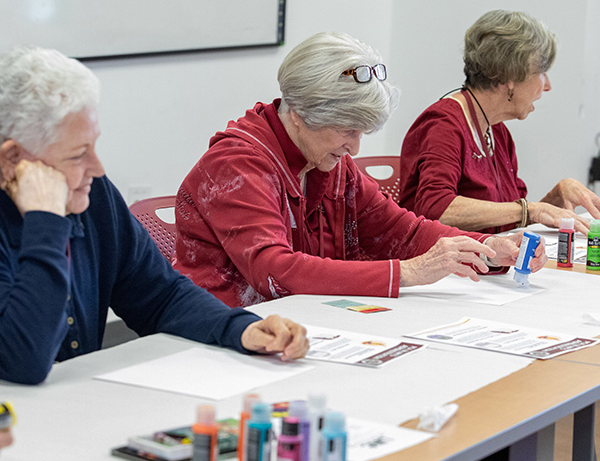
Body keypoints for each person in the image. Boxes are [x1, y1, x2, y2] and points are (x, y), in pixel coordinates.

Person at [0, 46, 309, 386]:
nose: (98, 169)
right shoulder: (54, 210)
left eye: (93, 146)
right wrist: (45, 220)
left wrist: (241, 328)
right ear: (13, 158)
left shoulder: (91, 194)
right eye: (77, 155)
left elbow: (160, 296)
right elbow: (23, 360)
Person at [174, 31, 545, 309]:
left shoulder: (328, 162)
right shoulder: (235, 167)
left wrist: (485, 248)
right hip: (225, 339)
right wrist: (410, 272)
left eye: (361, 131)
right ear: (301, 115)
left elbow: (399, 229)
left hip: (304, 323)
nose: (354, 147)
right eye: (346, 129)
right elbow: (276, 272)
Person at [399, 9, 600, 235]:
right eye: (542, 72)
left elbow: (513, 221)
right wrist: (531, 210)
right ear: (511, 77)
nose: (547, 85)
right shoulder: (443, 125)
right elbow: (437, 209)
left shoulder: (498, 132)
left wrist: (555, 197)